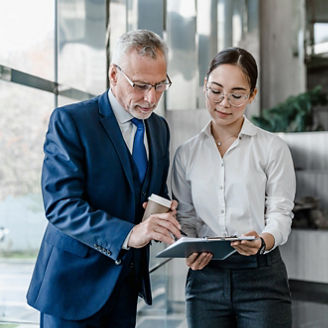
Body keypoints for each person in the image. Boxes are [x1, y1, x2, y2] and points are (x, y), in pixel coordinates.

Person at [27, 29, 182, 327]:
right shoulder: (71, 121)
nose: (151, 98)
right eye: (140, 86)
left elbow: (147, 192)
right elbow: (61, 206)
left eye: (160, 85)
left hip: (125, 288)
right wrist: (128, 234)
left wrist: (161, 211)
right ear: (114, 75)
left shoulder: (159, 128)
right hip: (71, 288)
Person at [171, 47, 296, 327]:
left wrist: (263, 241)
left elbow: (281, 212)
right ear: (204, 86)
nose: (224, 103)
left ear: (252, 95)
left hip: (261, 276)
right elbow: (187, 217)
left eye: (237, 95)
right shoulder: (186, 153)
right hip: (206, 279)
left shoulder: (272, 148)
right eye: (215, 91)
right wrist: (190, 248)